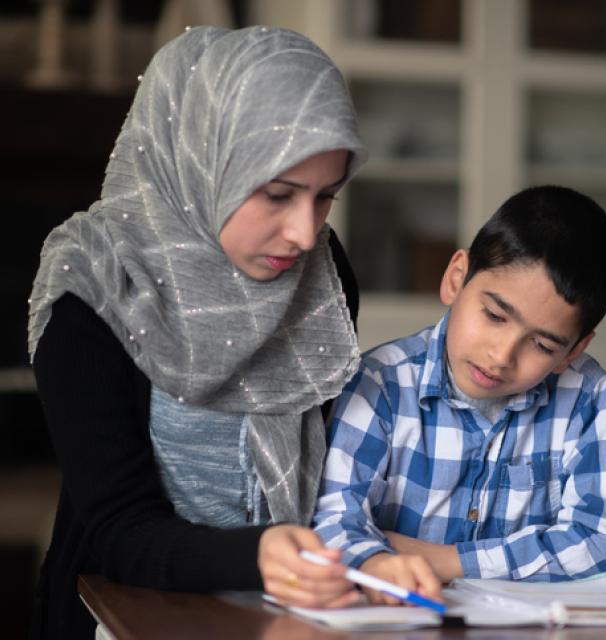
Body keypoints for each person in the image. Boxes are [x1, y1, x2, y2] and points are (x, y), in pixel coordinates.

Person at [27, 25, 371, 639]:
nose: (302, 231)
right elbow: (118, 530)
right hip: (127, 615)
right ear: (201, 158)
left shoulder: (322, 273)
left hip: (291, 612)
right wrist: (259, 554)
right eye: (277, 194)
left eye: (326, 198)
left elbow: (339, 477)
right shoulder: (98, 281)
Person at [313, 185, 606, 601]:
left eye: (542, 345)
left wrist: (446, 560)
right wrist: (376, 563)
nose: (501, 355)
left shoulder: (582, 393)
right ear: (456, 279)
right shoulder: (381, 383)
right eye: (494, 315)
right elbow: (331, 520)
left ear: (573, 351)